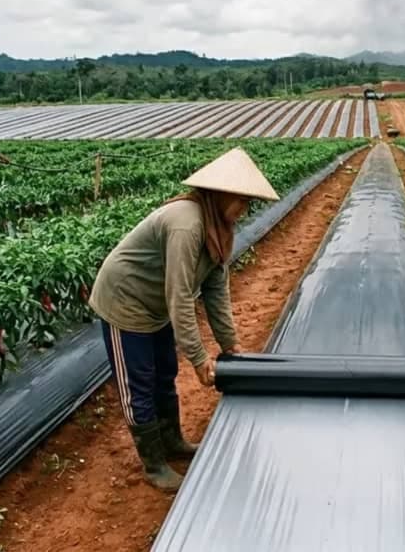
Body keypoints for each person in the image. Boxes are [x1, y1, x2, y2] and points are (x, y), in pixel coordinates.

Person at [87, 147, 279, 492]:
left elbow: (216, 292)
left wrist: (230, 345)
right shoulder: (187, 226)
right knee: (139, 383)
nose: (244, 210)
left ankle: (172, 441)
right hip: (126, 300)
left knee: (164, 373)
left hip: (155, 304)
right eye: (242, 201)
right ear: (221, 196)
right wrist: (199, 358)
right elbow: (180, 298)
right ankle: (154, 463)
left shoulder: (218, 230)